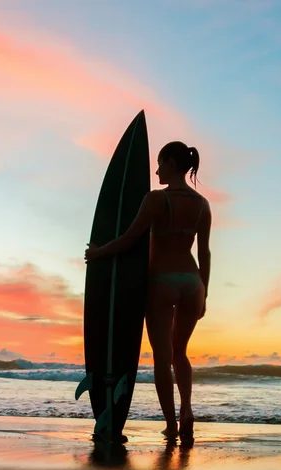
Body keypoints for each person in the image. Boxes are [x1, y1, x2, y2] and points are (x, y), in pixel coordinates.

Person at [85, 141, 212, 441]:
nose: (155, 170)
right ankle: (187, 411)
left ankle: (171, 424)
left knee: (162, 356)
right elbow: (204, 252)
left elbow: (130, 238)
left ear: (170, 162)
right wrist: (204, 290)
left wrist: (100, 252)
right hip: (192, 282)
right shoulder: (202, 204)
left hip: (162, 281)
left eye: (159, 163)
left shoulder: (156, 200)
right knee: (180, 354)